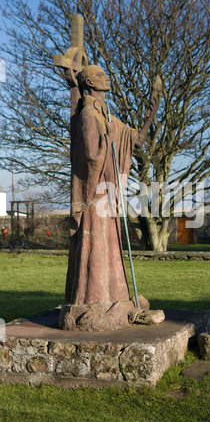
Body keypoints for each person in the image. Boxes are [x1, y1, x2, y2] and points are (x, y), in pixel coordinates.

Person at [59, 65, 161, 330]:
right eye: (102, 75)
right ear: (91, 82)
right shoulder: (89, 115)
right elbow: (91, 157)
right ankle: (93, 301)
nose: (108, 78)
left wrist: (151, 113)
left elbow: (135, 140)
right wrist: (109, 139)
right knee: (97, 250)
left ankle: (115, 298)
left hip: (108, 197)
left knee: (111, 251)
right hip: (97, 198)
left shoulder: (106, 115)